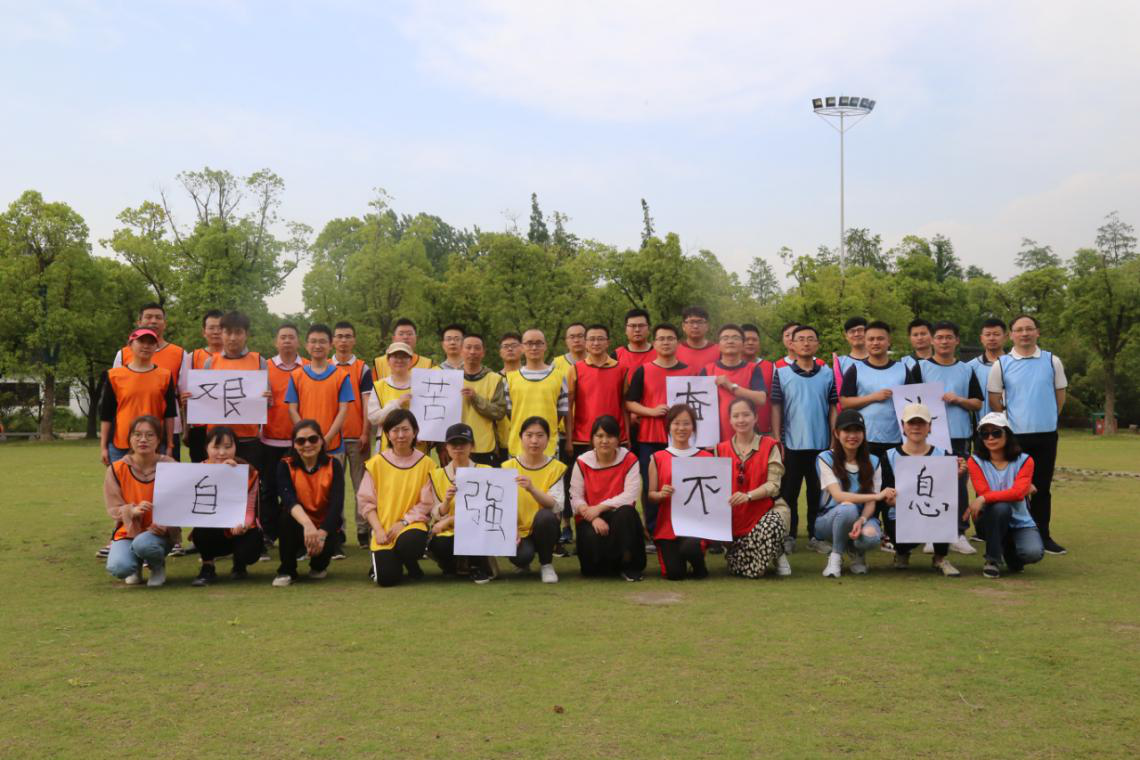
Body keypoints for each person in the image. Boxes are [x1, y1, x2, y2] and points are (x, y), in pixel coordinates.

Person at [986, 314, 1067, 555]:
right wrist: (1008, 423)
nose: (1024, 333)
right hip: (1015, 437)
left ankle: (1043, 535)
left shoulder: (1052, 361)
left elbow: (1059, 396)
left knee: (1041, 487)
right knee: (1013, 488)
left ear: (1037, 332)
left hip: (1046, 435)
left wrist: (1047, 417)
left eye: (1029, 329)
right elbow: (994, 398)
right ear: (1011, 335)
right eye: (1019, 330)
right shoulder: (1001, 364)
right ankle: (1012, 537)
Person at [909, 320, 983, 555]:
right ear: (932, 340)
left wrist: (958, 400)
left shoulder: (966, 369)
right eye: (939, 337)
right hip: (930, 437)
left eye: (949, 337)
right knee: (930, 484)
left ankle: (958, 533)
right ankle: (932, 534)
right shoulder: (920, 368)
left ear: (956, 341)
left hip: (959, 435)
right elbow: (909, 401)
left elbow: (977, 403)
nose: (944, 341)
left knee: (958, 485)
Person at [770, 325, 837, 555]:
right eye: (801, 339)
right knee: (789, 492)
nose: (806, 343)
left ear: (817, 344)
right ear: (792, 344)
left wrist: (833, 437)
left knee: (817, 493)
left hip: (821, 444)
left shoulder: (827, 374)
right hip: (792, 444)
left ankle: (815, 536)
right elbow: (776, 407)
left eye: (810, 339)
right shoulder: (781, 374)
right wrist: (777, 438)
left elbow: (833, 407)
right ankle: (789, 535)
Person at [882, 403, 965, 577]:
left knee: (945, 511)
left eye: (921, 422)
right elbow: (886, 491)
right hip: (901, 513)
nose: (916, 427)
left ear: (930, 427)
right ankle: (902, 551)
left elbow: (945, 493)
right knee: (894, 520)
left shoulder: (944, 455)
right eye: (911, 422)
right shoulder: (889, 456)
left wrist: (955, 476)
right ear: (903, 426)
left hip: (932, 511)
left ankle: (940, 558)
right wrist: (891, 498)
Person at [357, 409, 436, 587]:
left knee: (411, 543)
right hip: (384, 529)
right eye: (395, 430)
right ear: (387, 434)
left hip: (411, 525)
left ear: (415, 432)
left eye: (406, 429)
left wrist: (404, 522)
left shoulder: (427, 464)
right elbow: (366, 503)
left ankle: (409, 560)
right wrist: (378, 530)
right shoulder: (376, 463)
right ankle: (388, 563)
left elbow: (426, 503)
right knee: (386, 580)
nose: (401, 435)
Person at [625, 323, 690, 536]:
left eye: (670, 338)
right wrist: (651, 411)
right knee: (651, 486)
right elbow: (630, 403)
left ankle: (682, 527)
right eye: (661, 338)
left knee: (681, 483)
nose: (666, 342)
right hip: (650, 438)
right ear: (654, 343)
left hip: (681, 439)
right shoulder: (644, 370)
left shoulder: (689, 371)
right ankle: (653, 530)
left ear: (678, 343)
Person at [716, 398, 792, 578]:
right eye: (736, 416)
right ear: (729, 420)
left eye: (746, 415)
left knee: (755, 570)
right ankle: (766, 551)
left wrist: (748, 495)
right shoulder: (720, 449)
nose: (741, 420)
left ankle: (777, 550)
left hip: (768, 509)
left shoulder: (770, 445)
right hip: (736, 514)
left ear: (755, 417)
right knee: (738, 569)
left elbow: (773, 485)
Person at [965, 412, 1044, 578]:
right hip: (989, 518)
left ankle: (1008, 549)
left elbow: (1017, 493)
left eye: (996, 432)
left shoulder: (1025, 460)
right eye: (984, 434)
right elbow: (987, 491)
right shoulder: (974, 461)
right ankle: (992, 560)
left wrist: (984, 498)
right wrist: (1015, 491)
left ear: (1007, 434)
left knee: (1033, 553)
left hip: (1020, 521)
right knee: (1001, 507)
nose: (990, 438)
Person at [814, 409, 892, 577]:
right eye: (847, 430)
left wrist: (862, 519)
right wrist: (877, 496)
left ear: (863, 433)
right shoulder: (825, 458)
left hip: (862, 517)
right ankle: (836, 556)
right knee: (847, 508)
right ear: (836, 433)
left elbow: (870, 504)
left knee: (871, 537)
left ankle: (856, 551)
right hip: (829, 519)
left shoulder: (874, 461)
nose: (852, 435)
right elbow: (838, 496)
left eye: (857, 430)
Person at [569, 415, 647, 580]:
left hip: (617, 515)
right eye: (599, 436)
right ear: (592, 439)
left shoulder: (629, 459)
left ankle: (629, 565)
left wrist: (599, 508)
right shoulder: (582, 462)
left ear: (618, 439)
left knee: (627, 513)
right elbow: (575, 497)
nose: (604, 441)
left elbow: (630, 495)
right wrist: (593, 517)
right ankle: (609, 565)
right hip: (589, 518)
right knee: (592, 569)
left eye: (610, 436)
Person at [103, 415, 177, 587]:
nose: (143, 439)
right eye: (137, 434)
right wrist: (131, 511)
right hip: (128, 531)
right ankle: (134, 566)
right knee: (119, 567)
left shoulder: (171, 465)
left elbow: (182, 501)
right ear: (129, 439)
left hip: (158, 533)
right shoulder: (117, 468)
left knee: (144, 545)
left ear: (158, 439)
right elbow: (113, 507)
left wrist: (166, 524)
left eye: (150, 435)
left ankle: (156, 565)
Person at [112, 302, 190, 462]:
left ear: (165, 323)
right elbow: (114, 397)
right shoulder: (123, 354)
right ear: (139, 322)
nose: (153, 321)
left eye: (158, 318)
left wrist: (187, 425)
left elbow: (185, 394)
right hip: (129, 430)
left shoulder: (180, 354)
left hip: (167, 431)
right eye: (148, 317)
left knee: (166, 476)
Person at [271, 419, 343, 587]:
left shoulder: (333, 464)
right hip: (298, 522)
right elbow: (288, 500)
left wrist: (321, 534)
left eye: (313, 439)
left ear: (321, 441)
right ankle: (287, 570)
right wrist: (308, 525)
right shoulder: (285, 465)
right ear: (294, 445)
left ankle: (318, 565)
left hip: (324, 525)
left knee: (319, 568)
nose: (307, 444)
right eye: (301, 441)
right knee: (285, 518)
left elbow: (336, 504)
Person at [189, 425, 262, 586]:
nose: (222, 453)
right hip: (211, 529)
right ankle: (208, 566)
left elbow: (250, 509)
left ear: (236, 447)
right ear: (206, 448)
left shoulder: (248, 471)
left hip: (238, 528)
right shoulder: (197, 471)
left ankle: (239, 563)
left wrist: (243, 524)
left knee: (249, 552)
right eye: (216, 447)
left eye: (228, 447)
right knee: (201, 528)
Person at [200, 311, 271, 473]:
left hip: (248, 438)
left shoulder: (259, 361)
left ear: (247, 334)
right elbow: (205, 402)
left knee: (249, 483)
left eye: (238, 332)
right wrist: (192, 399)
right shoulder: (210, 363)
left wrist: (267, 398)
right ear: (222, 333)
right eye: (228, 332)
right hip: (217, 440)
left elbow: (267, 404)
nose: (232, 338)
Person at [423, 423, 494, 583]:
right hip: (448, 531)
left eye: (463, 443)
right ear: (446, 447)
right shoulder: (437, 475)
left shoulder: (486, 470)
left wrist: (450, 520)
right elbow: (435, 514)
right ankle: (450, 565)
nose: (458, 448)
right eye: (453, 444)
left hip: (476, 527)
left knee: (474, 530)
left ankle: (476, 566)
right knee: (441, 544)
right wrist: (446, 501)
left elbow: (486, 511)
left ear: (472, 446)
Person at [647, 404, 711, 580]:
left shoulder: (706, 457)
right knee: (674, 574)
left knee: (690, 547)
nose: (681, 428)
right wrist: (661, 494)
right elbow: (651, 495)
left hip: (696, 525)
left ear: (693, 427)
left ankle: (699, 567)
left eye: (686, 423)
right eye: (676, 423)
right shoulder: (658, 458)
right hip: (668, 526)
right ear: (668, 427)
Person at [501, 416, 566, 583]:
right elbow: (502, 504)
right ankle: (523, 562)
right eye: (529, 435)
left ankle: (546, 564)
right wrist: (510, 528)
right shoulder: (507, 467)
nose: (534, 441)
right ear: (520, 437)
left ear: (548, 439)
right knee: (522, 556)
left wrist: (532, 489)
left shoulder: (556, 468)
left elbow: (556, 505)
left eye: (540, 435)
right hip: (518, 530)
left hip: (544, 527)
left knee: (546, 516)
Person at [101, 328, 177, 465]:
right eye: (141, 341)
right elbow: (106, 414)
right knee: (119, 479)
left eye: (151, 343)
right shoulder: (114, 376)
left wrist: (170, 445)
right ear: (130, 345)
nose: (146, 346)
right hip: (121, 444)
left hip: (154, 443)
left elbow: (170, 414)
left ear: (156, 347)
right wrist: (104, 447)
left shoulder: (165, 376)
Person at [260, 324, 305, 547]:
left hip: (300, 442)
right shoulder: (264, 367)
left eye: (291, 337)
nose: (287, 341)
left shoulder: (308, 367)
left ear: (298, 342)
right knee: (268, 489)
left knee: (297, 491)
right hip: (269, 438)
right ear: (275, 342)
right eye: (283, 337)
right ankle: (269, 533)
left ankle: (295, 534)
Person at [839, 321, 909, 460]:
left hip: (897, 439)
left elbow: (913, 403)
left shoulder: (903, 369)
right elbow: (844, 402)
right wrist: (873, 397)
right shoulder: (855, 369)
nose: (875, 343)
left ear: (889, 341)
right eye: (871, 339)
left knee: (893, 474)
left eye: (880, 338)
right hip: (865, 439)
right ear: (865, 342)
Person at [332, 321, 374, 548]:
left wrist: (365, 432)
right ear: (333, 340)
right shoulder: (325, 366)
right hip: (332, 439)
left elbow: (367, 402)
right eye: (339, 336)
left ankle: (362, 531)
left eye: (348, 336)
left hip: (357, 437)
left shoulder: (362, 368)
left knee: (361, 487)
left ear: (354, 340)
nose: (343, 340)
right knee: (334, 489)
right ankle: (337, 532)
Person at [287, 324, 354, 456]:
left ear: (330, 345)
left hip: (332, 446)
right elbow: (292, 409)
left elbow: (343, 410)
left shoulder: (342, 376)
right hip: (305, 446)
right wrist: (307, 437)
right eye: (313, 341)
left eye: (322, 341)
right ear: (306, 345)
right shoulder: (296, 376)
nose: (317, 346)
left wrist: (326, 439)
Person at [567, 324, 629, 459]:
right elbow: (569, 406)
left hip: (614, 437)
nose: (596, 343)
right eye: (592, 339)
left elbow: (625, 405)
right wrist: (569, 439)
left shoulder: (621, 369)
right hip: (583, 438)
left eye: (600, 339)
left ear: (608, 343)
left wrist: (628, 437)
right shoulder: (575, 369)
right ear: (586, 343)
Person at [504, 328, 568, 458]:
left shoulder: (559, 377)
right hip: (518, 447)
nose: (534, 347)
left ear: (545, 346)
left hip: (549, 447)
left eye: (538, 343)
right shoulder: (510, 378)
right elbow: (510, 412)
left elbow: (561, 413)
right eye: (529, 343)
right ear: (522, 347)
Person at [699, 324, 767, 443]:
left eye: (735, 338)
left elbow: (761, 399)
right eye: (725, 338)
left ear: (743, 344)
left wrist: (731, 386)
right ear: (718, 345)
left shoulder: (752, 369)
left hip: (746, 439)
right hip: (714, 439)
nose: (730, 341)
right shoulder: (708, 370)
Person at [458, 333, 507, 466]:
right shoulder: (450, 378)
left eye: (477, 348)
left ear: (483, 352)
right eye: (468, 347)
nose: (472, 352)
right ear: (461, 351)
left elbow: (499, 412)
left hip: (486, 446)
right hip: (457, 445)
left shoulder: (494, 379)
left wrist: (476, 398)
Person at [365, 342, 425, 452]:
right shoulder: (379, 386)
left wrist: (423, 434)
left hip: (417, 445)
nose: (399, 360)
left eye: (404, 357)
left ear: (410, 361)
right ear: (388, 360)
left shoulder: (422, 384)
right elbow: (373, 418)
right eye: (395, 356)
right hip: (387, 446)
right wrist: (396, 404)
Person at [186, 309, 225, 463]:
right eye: (211, 328)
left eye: (220, 328)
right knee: (200, 468)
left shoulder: (236, 358)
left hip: (228, 424)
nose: (216, 332)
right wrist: (186, 429)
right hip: (200, 426)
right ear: (204, 332)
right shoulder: (192, 357)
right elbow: (185, 393)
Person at [968, 317, 1007, 421]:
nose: (992, 338)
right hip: (979, 425)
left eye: (996, 334)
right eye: (988, 335)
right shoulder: (969, 367)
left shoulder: (1014, 365)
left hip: (1011, 424)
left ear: (1005, 337)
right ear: (981, 338)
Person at [741, 323, 777, 434]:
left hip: (765, 431)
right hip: (735, 430)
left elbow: (775, 403)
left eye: (754, 340)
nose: (750, 343)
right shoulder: (728, 368)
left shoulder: (771, 367)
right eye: (746, 340)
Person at [495, 331, 523, 462]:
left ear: (522, 349)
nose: (510, 349)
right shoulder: (493, 379)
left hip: (526, 441)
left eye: (514, 345)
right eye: (506, 346)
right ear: (500, 352)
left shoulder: (530, 377)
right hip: (501, 443)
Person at [615, 308, 656, 372]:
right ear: (625, 330)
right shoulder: (616, 355)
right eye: (633, 326)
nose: (637, 330)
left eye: (641, 325)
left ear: (649, 328)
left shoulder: (660, 353)